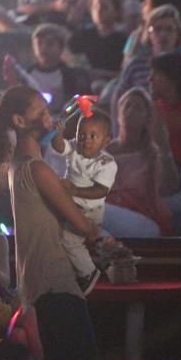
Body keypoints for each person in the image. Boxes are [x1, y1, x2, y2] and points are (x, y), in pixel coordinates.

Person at [0, 85, 104, 360]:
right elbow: (83, 226)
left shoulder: (18, 165)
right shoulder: (37, 168)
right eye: (41, 113)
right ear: (20, 121)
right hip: (55, 283)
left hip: (35, 284)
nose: (49, 118)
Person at [51, 111, 117, 293]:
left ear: (106, 141)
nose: (86, 140)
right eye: (82, 135)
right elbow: (59, 146)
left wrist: (76, 190)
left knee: (70, 240)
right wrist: (58, 133)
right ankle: (100, 244)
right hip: (69, 204)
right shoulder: (74, 148)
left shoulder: (106, 163)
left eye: (93, 136)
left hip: (89, 211)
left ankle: (88, 272)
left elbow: (101, 191)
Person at [112, 4, 181, 129]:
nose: (163, 34)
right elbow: (119, 99)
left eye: (169, 29)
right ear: (149, 34)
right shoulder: (135, 65)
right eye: (157, 29)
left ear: (178, 33)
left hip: (178, 128)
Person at [105, 88, 177, 237]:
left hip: (143, 222)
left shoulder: (152, 154)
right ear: (118, 115)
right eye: (127, 106)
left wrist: (164, 147)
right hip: (108, 222)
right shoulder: (103, 151)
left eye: (138, 108)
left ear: (147, 119)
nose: (131, 111)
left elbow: (170, 187)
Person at [67, 0, 129, 83]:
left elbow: (127, 73)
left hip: (113, 88)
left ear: (116, 12)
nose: (99, 10)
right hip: (85, 88)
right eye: (95, 7)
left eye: (104, 7)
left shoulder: (124, 39)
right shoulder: (83, 36)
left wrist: (102, 74)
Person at [27, 23, 91, 115]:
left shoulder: (71, 75)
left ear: (61, 48)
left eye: (50, 44)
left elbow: (83, 103)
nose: (44, 48)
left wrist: (67, 105)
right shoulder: (28, 74)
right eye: (39, 43)